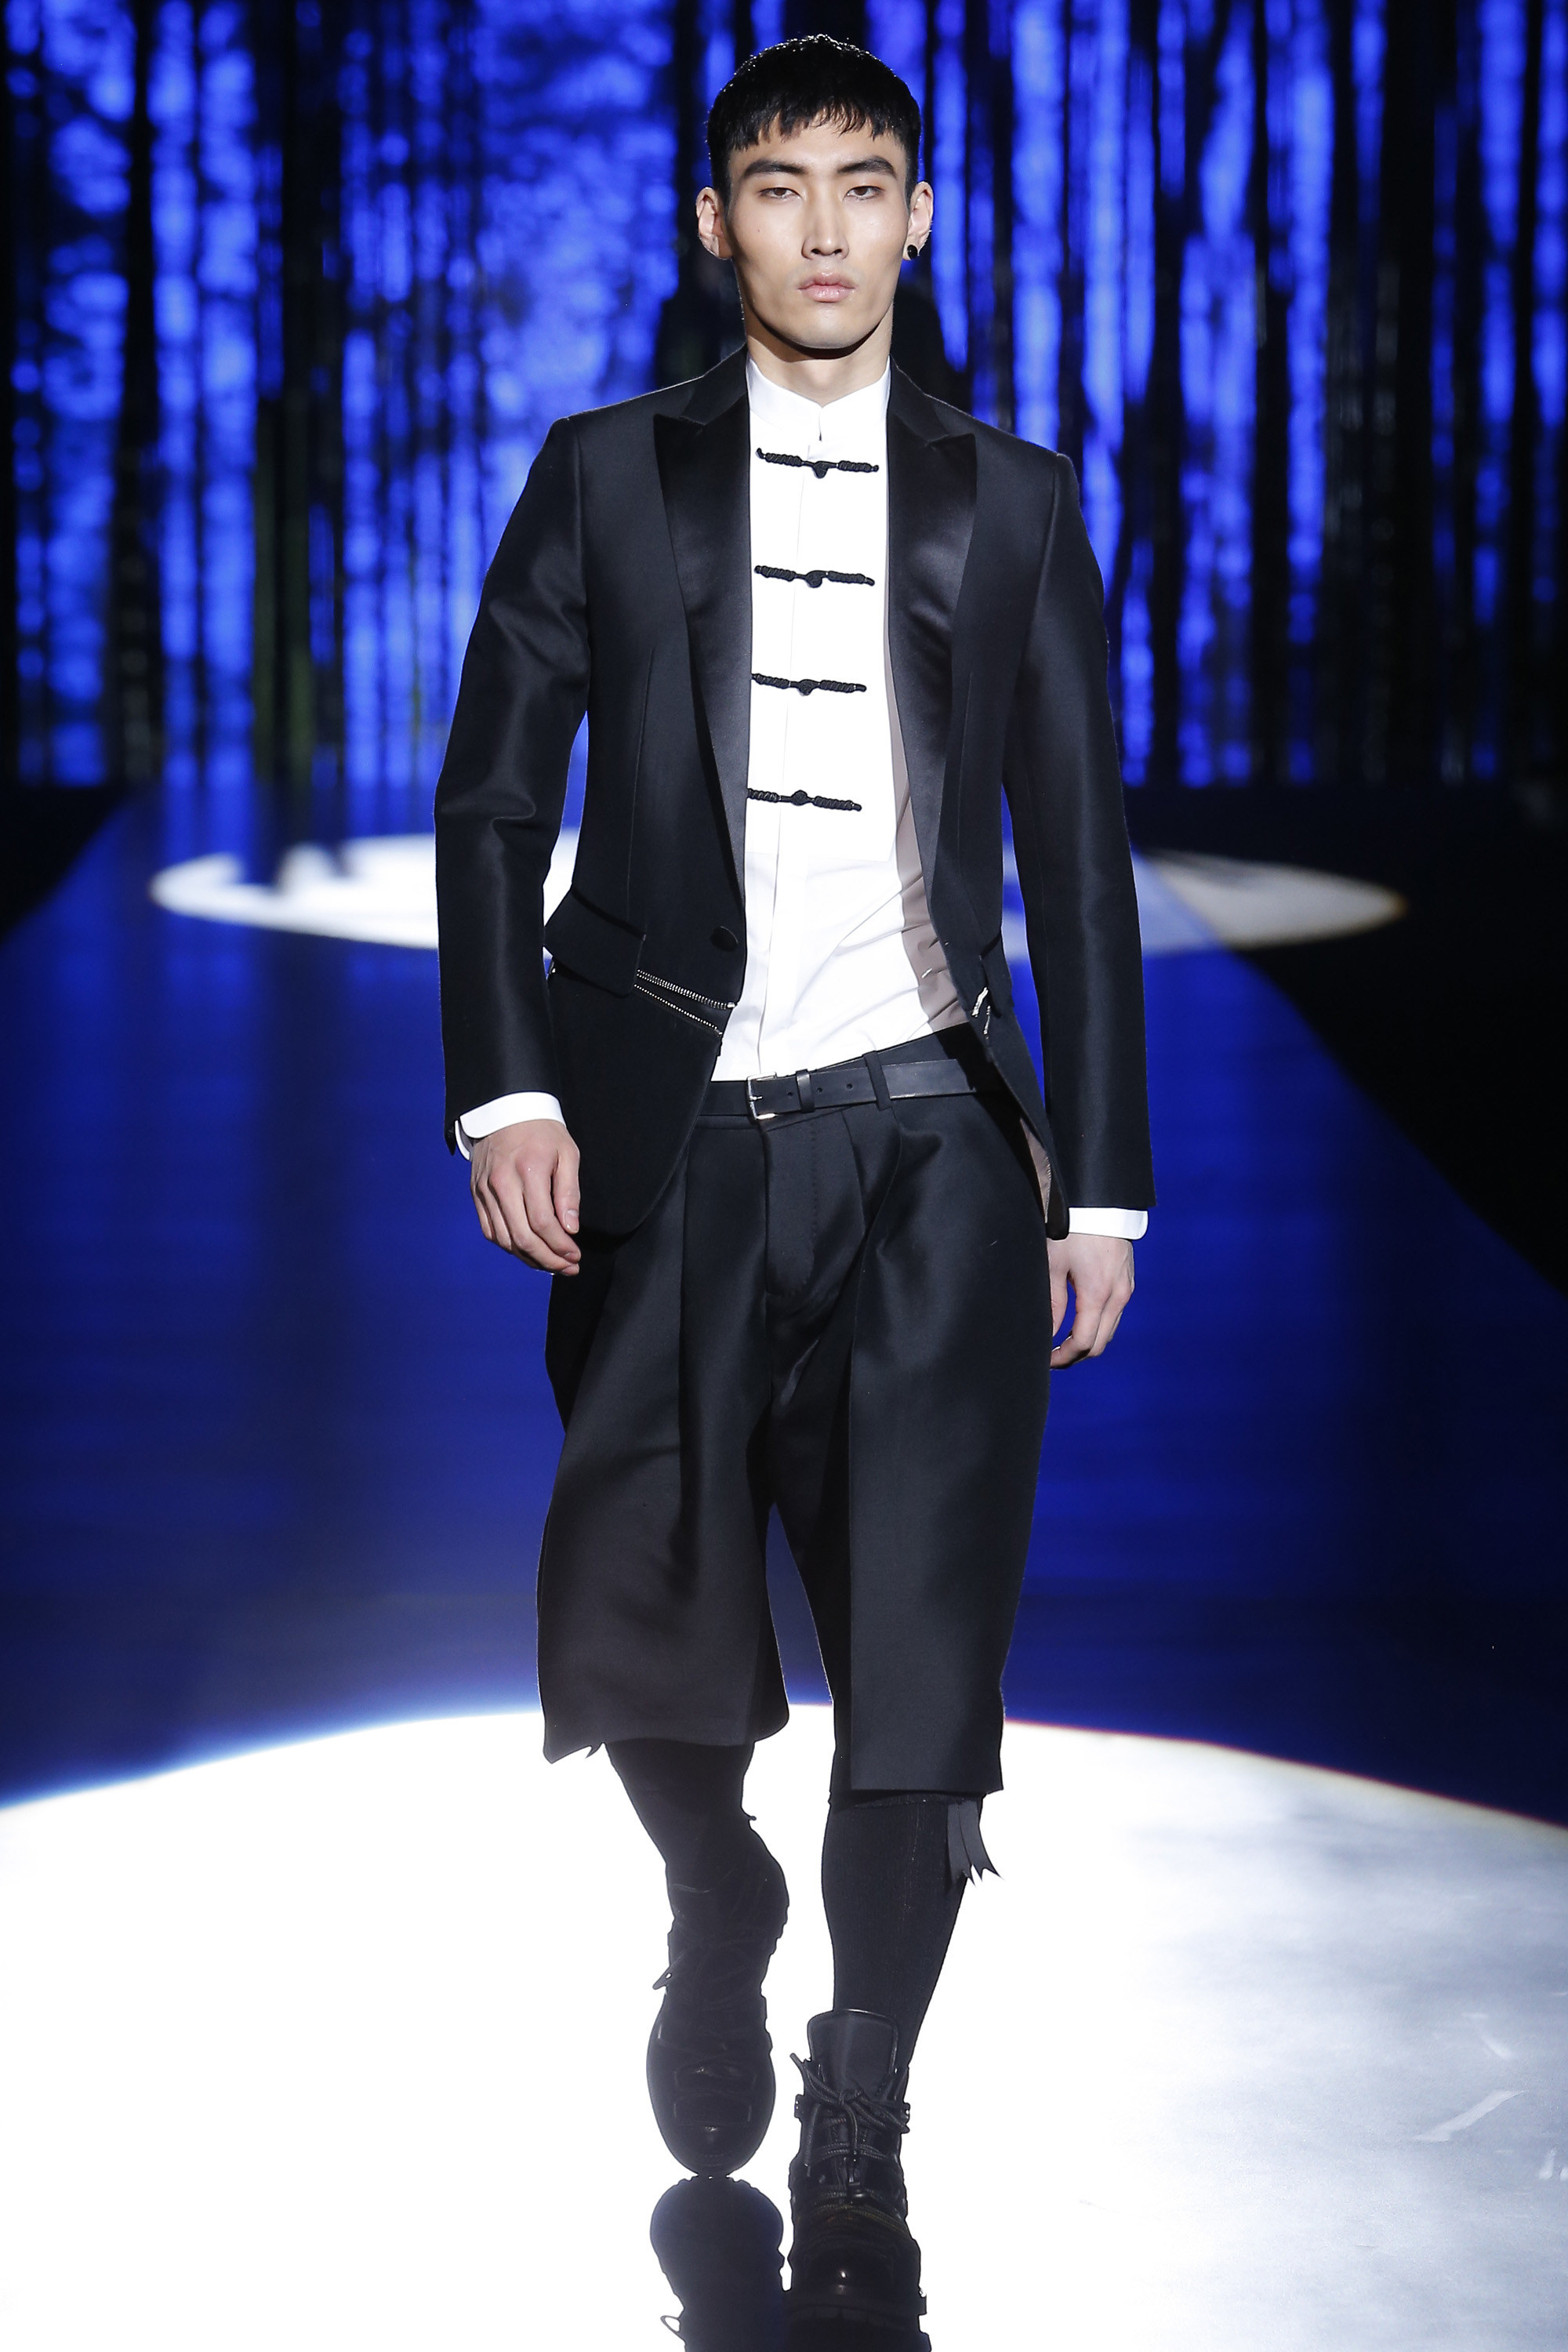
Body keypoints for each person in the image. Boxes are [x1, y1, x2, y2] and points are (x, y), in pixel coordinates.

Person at [434, 35, 1152, 2341]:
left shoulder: (1014, 501)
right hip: (669, 1134)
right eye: (779, 185)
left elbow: (1080, 855)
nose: (825, 228)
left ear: (919, 215)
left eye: (866, 183)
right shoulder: (604, 478)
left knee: (926, 1666)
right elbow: (491, 802)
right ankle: (718, 1893)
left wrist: (1104, 1184)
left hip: (936, 1143)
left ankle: (864, 2106)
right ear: (715, 221)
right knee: (642, 1625)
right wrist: (504, 1093)